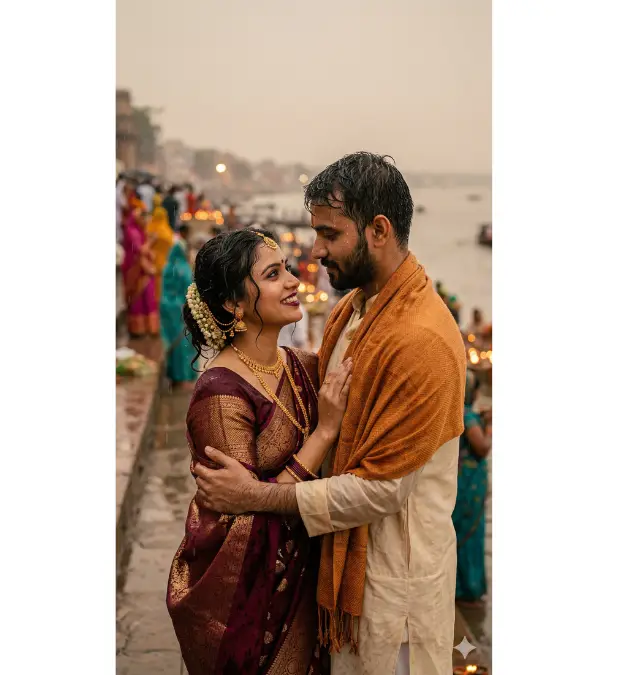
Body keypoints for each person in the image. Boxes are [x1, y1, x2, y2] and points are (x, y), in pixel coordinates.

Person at [192, 152, 466, 674]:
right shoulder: (355, 308)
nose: (314, 252)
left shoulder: (421, 339)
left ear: (378, 230)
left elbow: (382, 489)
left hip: (393, 595)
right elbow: (312, 381)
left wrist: (255, 495)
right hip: (346, 584)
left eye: (329, 234)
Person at [166, 228, 354, 675]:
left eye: (286, 268)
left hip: (309, 587)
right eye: (273, 274)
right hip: (253, 603)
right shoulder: (220, 395)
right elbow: (242, 518)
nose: (292, 281)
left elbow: (254, 493)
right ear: (234, 304)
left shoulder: (303, 366)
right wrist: (324, 432)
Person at [453, 370, 491, 607]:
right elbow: (482, 448)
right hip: (468, 483)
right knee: (470, 533)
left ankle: (459, 585)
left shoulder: (459, 413)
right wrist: (490, 425)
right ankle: (468, 588)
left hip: (462, 480)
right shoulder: (469, 417)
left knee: (460, 531)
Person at [160, 224, 197, 390]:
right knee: (183, 344)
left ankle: (174, 376)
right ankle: (183, 378)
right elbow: (189, 292)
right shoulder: (183, 270)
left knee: (171, 342)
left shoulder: (168, 268)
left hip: (168, 309)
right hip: (182, 310)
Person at [121, 203, 158, 337]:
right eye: (142, 218)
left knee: (147, 297)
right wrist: (152, 241)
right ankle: (137, 330)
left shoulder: (140, 230)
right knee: (137, 299)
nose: (144, 221)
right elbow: (140, 250)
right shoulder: (132, 231)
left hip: (144, 268)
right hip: (135, 269)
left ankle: (149, 328)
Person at [146, 195, 175, 306]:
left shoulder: (150, 228)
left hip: (152, 262)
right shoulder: (166, 231)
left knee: (153, 287)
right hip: (165, 262)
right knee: (161, 286)